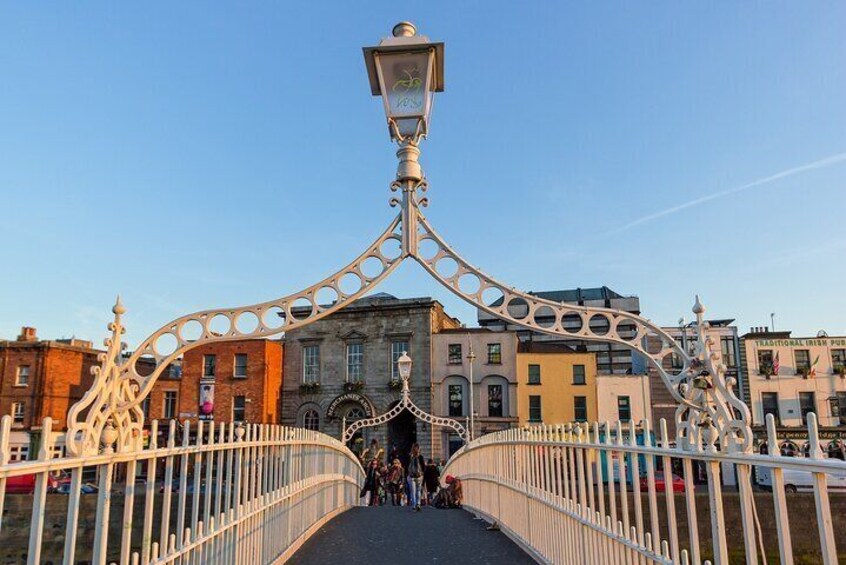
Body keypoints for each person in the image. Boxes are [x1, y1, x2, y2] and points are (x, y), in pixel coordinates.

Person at [406, 443, 425, 511]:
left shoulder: (410, 457)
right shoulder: (420, 457)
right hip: (419, 476)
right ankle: (418, 504)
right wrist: (422, 474)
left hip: (411, 476)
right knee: (418, 491)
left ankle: (414, 505)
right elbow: (423, 467)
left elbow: (406, 466)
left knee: (413, 491)